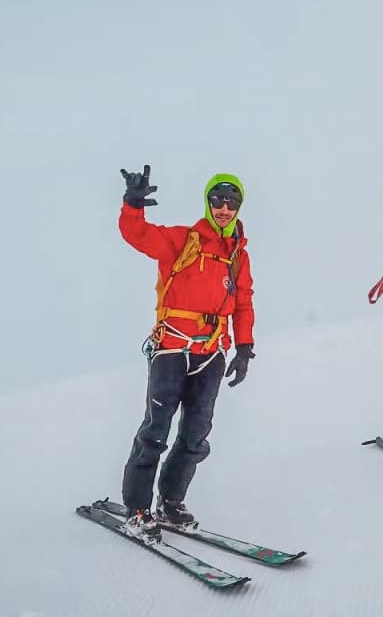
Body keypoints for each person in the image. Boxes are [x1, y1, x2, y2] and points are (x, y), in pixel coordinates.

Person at [116, 166, 256, 534]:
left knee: (196, 434)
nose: (224, 208)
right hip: (171, 348)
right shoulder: (183, 240)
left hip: (211, 353)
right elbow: (138, 234)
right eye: (218, 201)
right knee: (156, 430)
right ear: (208, 203)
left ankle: (171, 502)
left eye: (231, 202)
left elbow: (243, 302)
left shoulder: (238, 255)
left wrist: (244, 346)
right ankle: (137, 508)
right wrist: (133, 204)